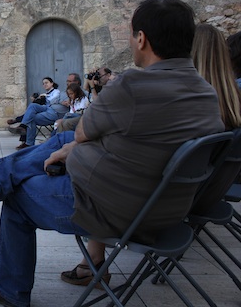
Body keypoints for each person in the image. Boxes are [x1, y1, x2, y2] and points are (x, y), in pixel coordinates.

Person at [0, 0, 224, 307]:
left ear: (141, 39)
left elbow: (83, 130)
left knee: (18, 195)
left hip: (114, 212)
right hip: (169, 211)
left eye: (130, 34)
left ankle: (9, 288)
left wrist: (76, 146)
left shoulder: (132, 86)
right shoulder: (207, 95)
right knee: (61, 144)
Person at [62, 23, 241, 287]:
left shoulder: (200, 102)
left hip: (161, 205)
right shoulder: (223, 102)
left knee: (76, 146)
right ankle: (92, 261)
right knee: (72, 142)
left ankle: (8, 174)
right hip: (194, 194)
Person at [11, 77, 66, 149]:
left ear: (52, 83)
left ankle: (23, 128)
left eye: (46, 83)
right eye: (43, 84)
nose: (44, 85)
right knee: (32, 108)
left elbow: (53, 101)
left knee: (29, 116)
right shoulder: (45, 93)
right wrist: (37, 100)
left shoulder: (56, 91)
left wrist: (45, 97)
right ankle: (24, 131)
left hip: (50, 109)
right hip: (45, 109)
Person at [57, 69, 113, 133]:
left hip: (94, 117)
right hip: (89, 115)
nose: (98, 77)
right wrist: (89, 77)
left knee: (66, 122)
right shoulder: (98, 86)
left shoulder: (108, 88)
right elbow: (86, 88)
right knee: (61, 122)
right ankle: (56, 139)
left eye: (100, 75)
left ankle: (60, 139)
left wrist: (92, 86)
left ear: (108, 75)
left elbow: (97, 102)